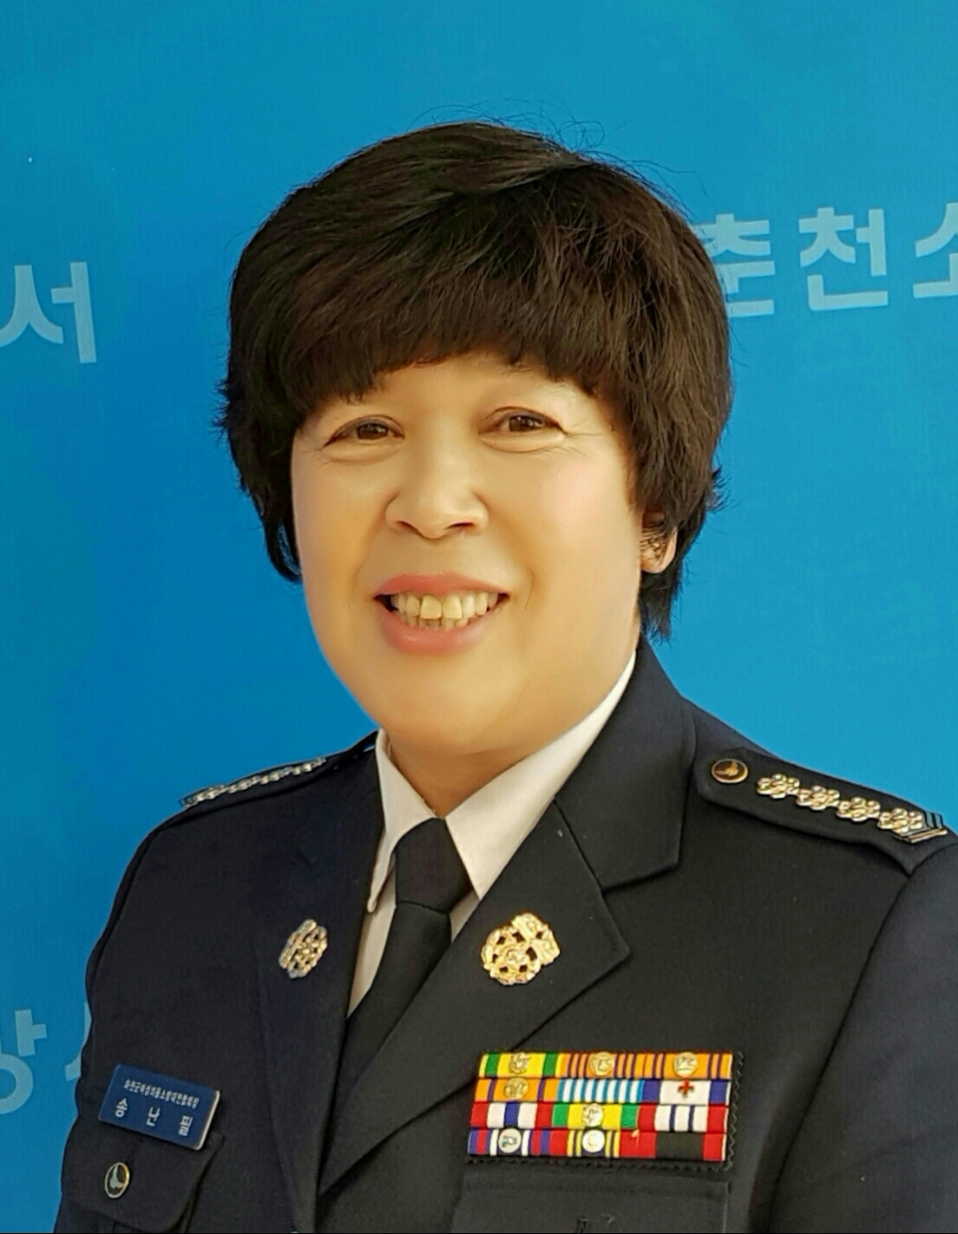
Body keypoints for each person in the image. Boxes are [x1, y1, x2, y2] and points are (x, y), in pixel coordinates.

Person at [55, 121, 957, 1234]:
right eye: (365, 427)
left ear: (656, 511)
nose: (432, 503)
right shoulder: (192, 889)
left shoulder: (863, 923)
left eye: (519, 422)